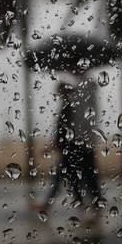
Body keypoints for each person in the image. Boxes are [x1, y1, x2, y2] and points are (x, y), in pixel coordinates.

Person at [32, 77, 101, 215]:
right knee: (80, 176)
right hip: (73, 146)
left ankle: (89, 203)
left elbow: (66, 128)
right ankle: (90, 203)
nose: (60, 95)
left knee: (73, 176)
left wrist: (56, 144)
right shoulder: (70, 104)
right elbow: (63, 128)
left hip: (73, 146)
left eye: (62, 92)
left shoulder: (73, 105)